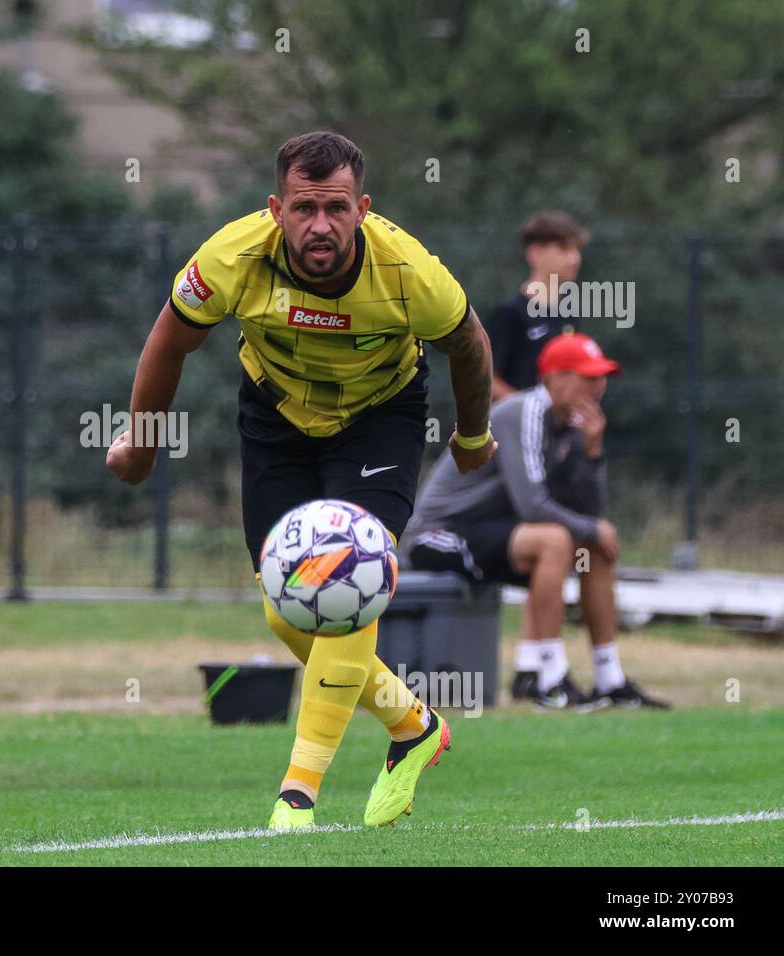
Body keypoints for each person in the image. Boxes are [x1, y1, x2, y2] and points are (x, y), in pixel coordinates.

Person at [107, 131, 498, 829]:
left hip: (380, 416)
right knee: (284, 604)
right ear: (276, 209)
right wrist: (141, 440)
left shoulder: (409, 269)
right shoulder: (231, 256)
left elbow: (468, 342)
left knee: (349, 574)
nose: (321, 225)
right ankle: (413, 725)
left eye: (338, 208)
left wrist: (472, 437)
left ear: (364, 208)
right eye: (304, 208)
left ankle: (297, 794)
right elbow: (171, 337)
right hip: (276, 415)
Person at [404, 333, 669, 711]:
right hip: (439, 535)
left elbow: (587, 513)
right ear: (554, 378)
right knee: (557, 539)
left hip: (495, 535)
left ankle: (610, 679)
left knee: (592, 548)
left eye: (601, 377)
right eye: (588, 376)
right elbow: (533, 506)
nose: (599, 385)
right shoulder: (522, 411)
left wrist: (592, 453)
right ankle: (549, 680)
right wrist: (593, 527)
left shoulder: (571, 426)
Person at [487, 210, 590, 401]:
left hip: (556, 430)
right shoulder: (509, 313)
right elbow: (487, 380)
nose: (574, 258)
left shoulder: (569, 312)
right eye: (564, 249)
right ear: (535, 254)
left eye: (576, 249)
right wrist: (529, 411)